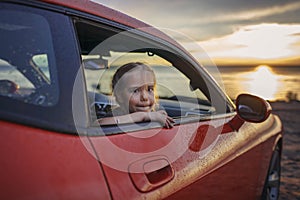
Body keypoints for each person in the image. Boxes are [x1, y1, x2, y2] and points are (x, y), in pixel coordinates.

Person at [98, 62, 174, 128]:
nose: (145, 97)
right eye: (135, 91)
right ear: (119, 96)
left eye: (150, 89)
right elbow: (100, 123)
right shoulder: (117, 114)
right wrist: (142, 116)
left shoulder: (156, 113)